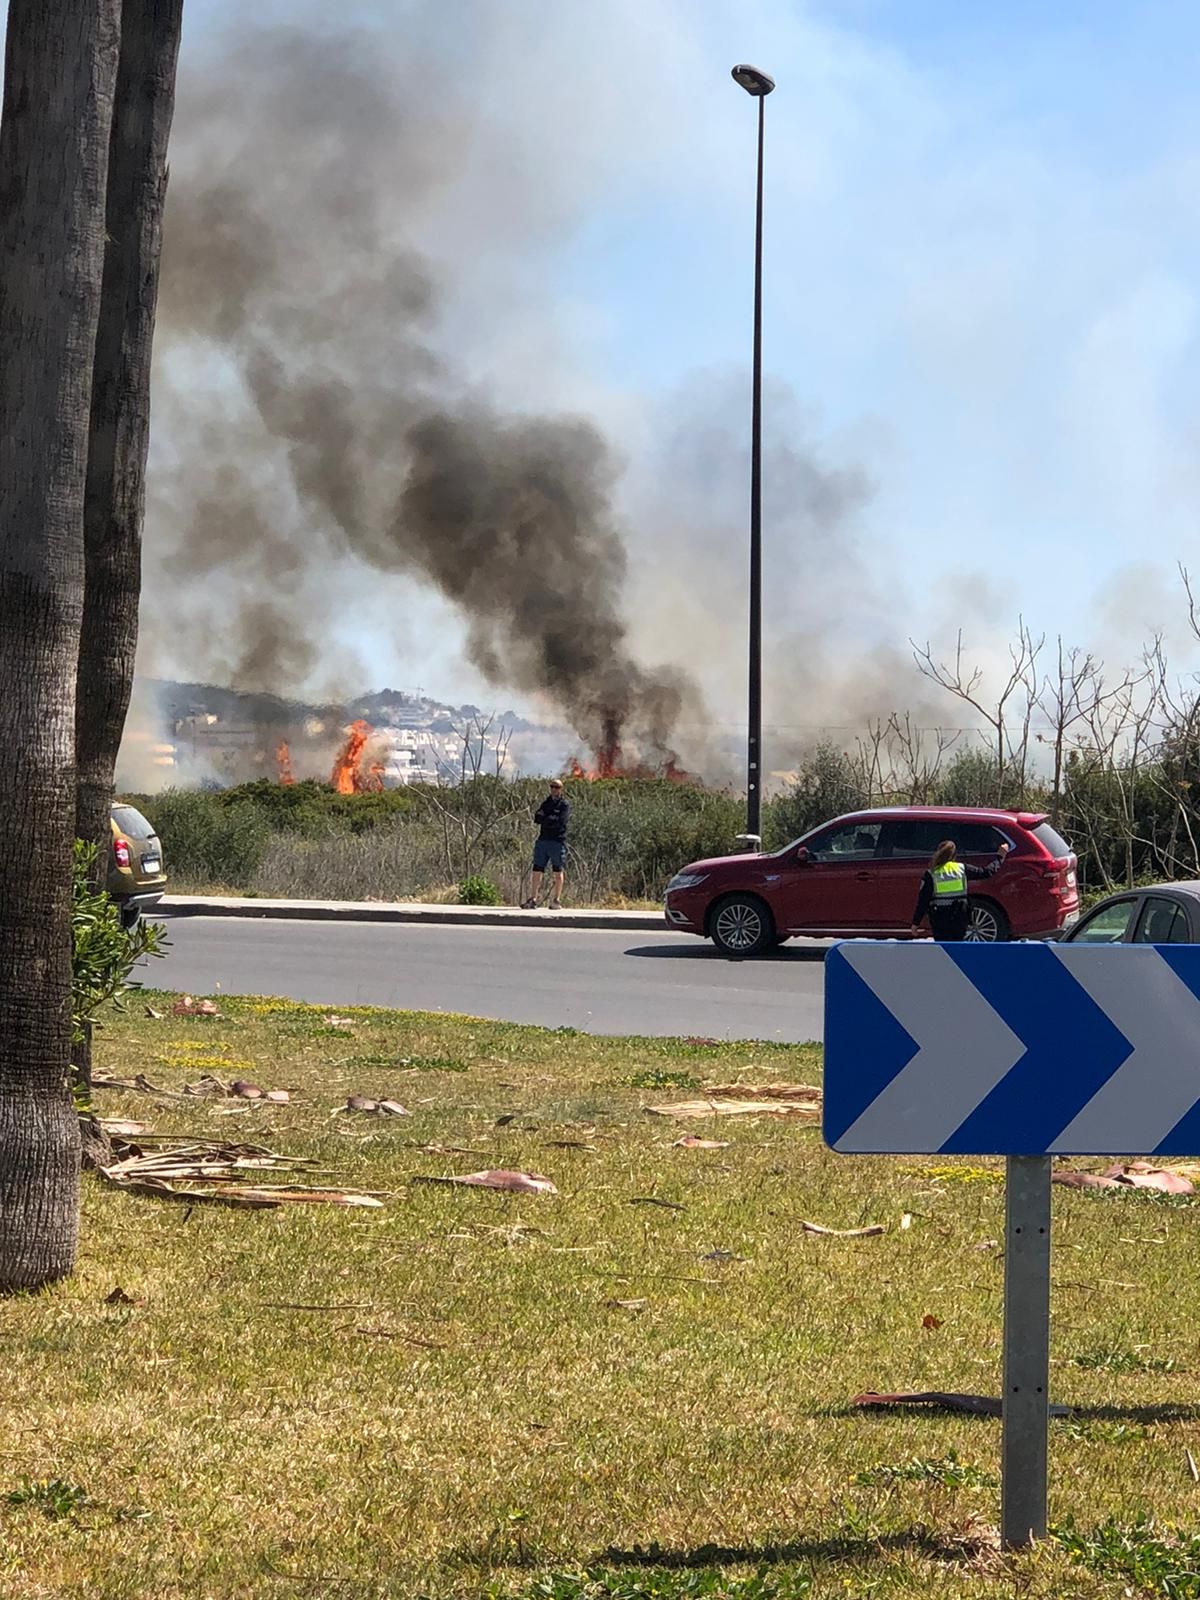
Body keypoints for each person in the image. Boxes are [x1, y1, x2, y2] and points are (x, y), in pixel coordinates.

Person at [911, 837, 1011, 942]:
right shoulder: (962, 869)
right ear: (954, 855)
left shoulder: (931, 874)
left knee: (943, 947)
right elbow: (986, 872)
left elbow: (923, 900)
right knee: (958, 944)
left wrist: (916, 923)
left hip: (940, 917)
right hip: (959, 914)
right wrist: (1000, 857)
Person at [522, 778, 569, 910]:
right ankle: (533, 899)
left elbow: (561, 821)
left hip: (557, 841)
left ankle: (556, 900)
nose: (554, 789)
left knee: (557, 870)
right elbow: (537, 818)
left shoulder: (564, 805)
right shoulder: (546, 803)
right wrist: (549, 818)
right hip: (543, 840)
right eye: (552, 787)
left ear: (561, 789)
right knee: (537, 869)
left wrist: (546, 818)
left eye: (557, 787)